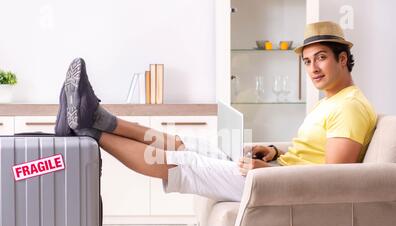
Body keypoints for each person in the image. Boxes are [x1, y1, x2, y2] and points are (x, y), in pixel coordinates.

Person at [54, 21, 377, 202]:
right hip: (275, 173)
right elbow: (316, 153)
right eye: (307, 61)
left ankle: (90, 130)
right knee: (183, 144)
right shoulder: (332, 101)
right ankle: (96, 116)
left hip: (277, 186)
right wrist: (276, 151)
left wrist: (269, 172)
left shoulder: (350, 107)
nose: (313, 68)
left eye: (321, 58)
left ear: (342, 59)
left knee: (181, 161)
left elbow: (335, 181)